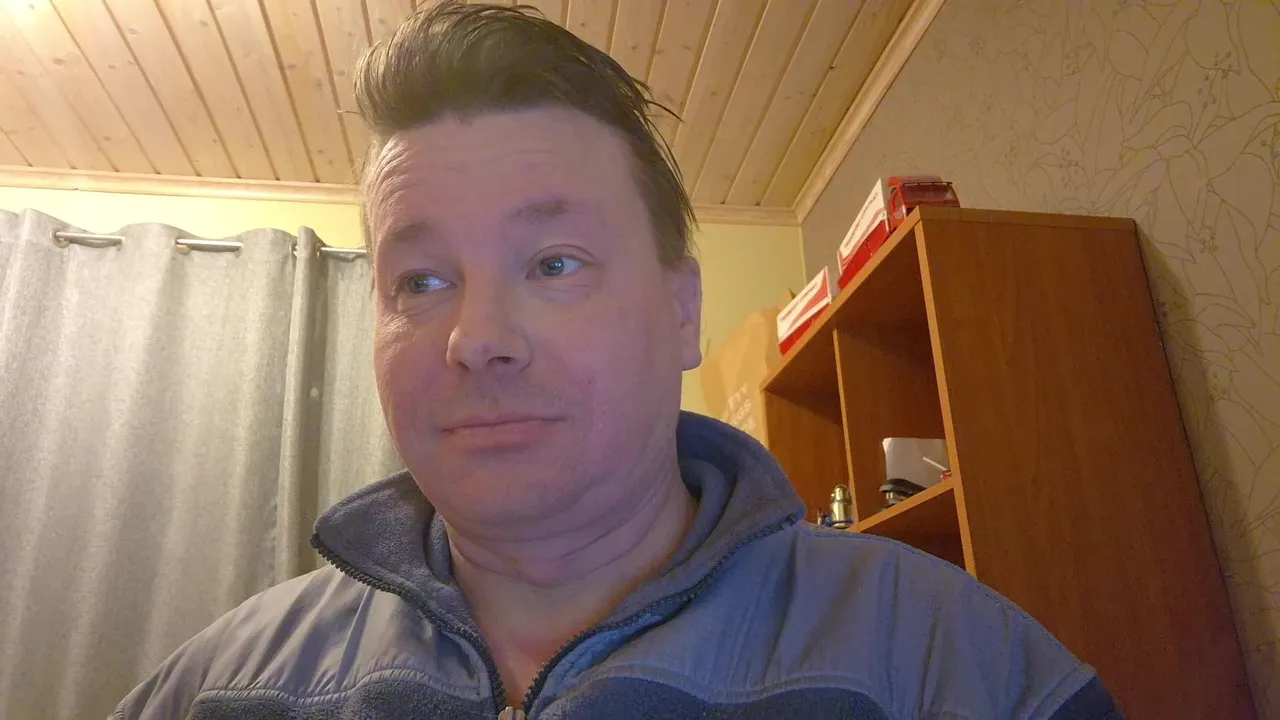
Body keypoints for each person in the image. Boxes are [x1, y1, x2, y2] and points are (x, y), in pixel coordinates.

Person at [116, 4, 1120, 718]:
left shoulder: (956, 667)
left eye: (553, 263)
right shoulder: (214, 692)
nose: (475, 337)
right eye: (419, 281)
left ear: (682, 312)